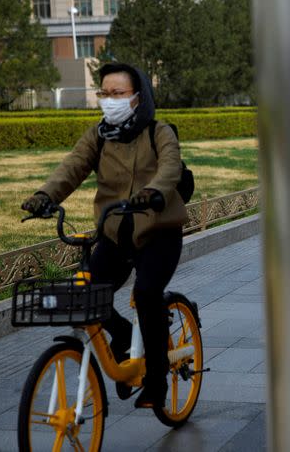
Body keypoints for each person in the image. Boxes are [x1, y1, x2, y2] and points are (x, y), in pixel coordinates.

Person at [21, 63, 188, 407]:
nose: (109, 100)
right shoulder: (98, 135)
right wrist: (45, 196)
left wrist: (155, 190)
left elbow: (171, 165)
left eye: (118, 94)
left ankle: (157, 381)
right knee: (85, 297)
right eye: (104, 94)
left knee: (146, 294)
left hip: (158, 232)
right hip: (114, 235)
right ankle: (124, 334)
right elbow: (73, 166)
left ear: (138, 97)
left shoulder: (159, 131)